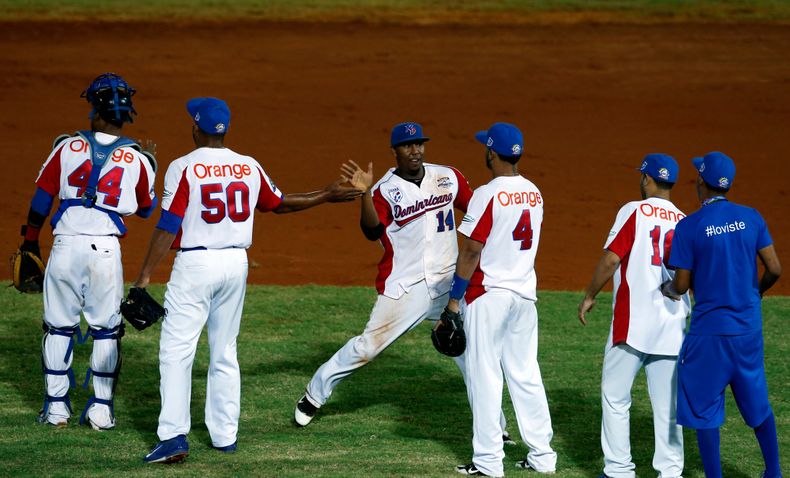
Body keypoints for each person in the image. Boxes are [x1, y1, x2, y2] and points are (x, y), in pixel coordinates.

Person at [136, 97, 363, 464]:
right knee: (225, 350)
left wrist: (143, 277)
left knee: (177, 352)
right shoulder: (247, 166)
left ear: (196, 128)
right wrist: (326, 194)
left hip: (196, 265)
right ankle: (225, 435)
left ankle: (174, 436)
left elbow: (168, 225)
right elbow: (279, 203)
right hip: (236, 265)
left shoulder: (183, 168)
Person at [294, 122, 514, 444]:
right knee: (367, 347)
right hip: (405, 287)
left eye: (420, 144)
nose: (416, 151)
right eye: (408, 146)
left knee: (472, 357)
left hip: (448, 284)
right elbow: (371, 231)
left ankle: (496, 427)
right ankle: (314, 393)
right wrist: (365, 194)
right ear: (395, 151)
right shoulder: (384, 190)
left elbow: (476, 213)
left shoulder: (447, 177)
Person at [23, 72, 158, 430]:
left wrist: (29, 240)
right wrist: (151, 168)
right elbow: (145, 209)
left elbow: (41, 199)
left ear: (94, 109)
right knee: (106, 331)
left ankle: (56, 410)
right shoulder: (138, 159)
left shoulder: (67, 147)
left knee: (58, 329)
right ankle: (101, 410)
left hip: (65, 247)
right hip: (105, 253)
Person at [663, 152, 782, 478]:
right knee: (757, 401)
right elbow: (774, 268)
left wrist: (668, 290)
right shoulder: (751, 217)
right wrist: (755, 294)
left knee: (704, 409)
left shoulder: (690, 226)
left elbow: (682, 283)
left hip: (710, 335)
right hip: (747, 330)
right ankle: (773, 471)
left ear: (701, 181)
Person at [448, 123, 556, 477]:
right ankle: (543, 456)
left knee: (485, 375)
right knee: (526, 374)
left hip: (488, 295)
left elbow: (471, 250)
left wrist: (452, 302)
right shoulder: (535, 193)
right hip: (524, 296)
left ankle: (489, 463)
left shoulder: (487, 193)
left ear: (492, 153)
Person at [578, 154, 688, 478]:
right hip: (672, 324)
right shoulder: (684, 220)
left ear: (648, 180)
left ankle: (619, 471)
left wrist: (589, 294)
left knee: (615, 396)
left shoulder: (634, 210)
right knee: (668, 405)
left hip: (632, 324)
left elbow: (612, 259)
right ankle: (671, 472)